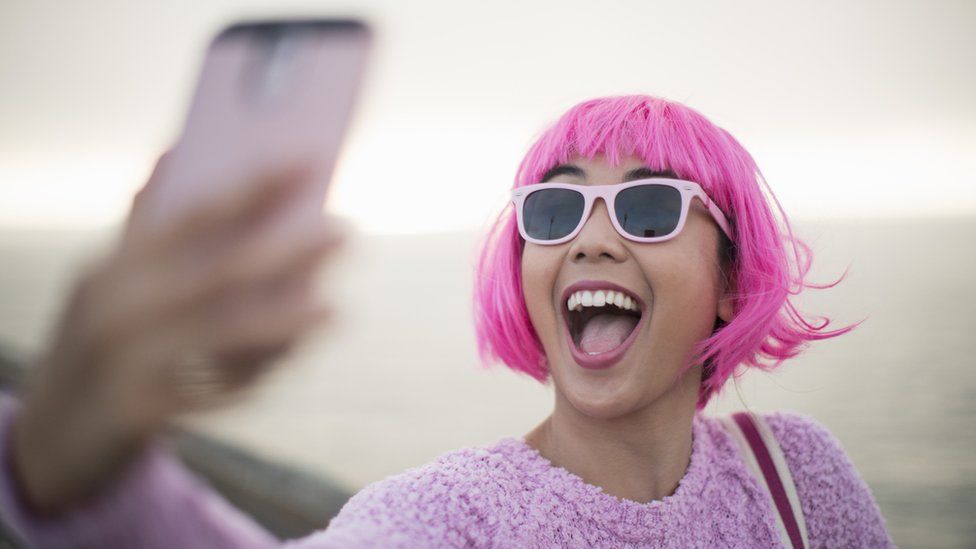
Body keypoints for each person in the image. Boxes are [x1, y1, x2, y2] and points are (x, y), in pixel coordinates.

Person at [0, 95, 894, 547]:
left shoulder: (796, 478)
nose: (590, 239)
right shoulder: (450, 517)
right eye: (553, 211)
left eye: (649, 207)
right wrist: (76, 473)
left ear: (732, 278)